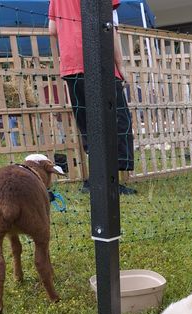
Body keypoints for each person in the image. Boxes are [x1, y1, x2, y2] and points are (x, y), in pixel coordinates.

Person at [48, 0, 137, 195]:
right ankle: (109, 180)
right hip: (98, 60)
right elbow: (108, 25)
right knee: (117, 120)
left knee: (90, 125)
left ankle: (95, 180)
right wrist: (121, 65)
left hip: (71, 64)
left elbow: (52, 29)